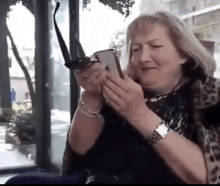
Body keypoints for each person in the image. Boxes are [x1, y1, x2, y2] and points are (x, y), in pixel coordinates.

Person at [5, 10, 219, 184]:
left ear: (183, 53)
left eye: (155, 46)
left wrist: (140, 115)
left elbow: (208, 175)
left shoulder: (208, 96)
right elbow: (80, 147)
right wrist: (91, 95)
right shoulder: (125, 88)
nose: (143, 58)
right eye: (136, 49)